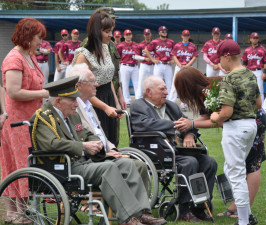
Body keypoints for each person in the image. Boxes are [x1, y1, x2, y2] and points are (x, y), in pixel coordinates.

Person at [30, 76, 167, 225]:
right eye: (73, 100)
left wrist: (94, 143)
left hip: (84, 162)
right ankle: (128, 219)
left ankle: (141, 214)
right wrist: (83, 147)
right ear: (58, 101)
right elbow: (51, 144)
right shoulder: (43, 118)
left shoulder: (71, 115)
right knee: (108, 167)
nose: (77, 104)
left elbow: (86, 133)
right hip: (65, 167)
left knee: (130, 164)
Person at [172, 68, 265, 224]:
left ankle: (243, 211)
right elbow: (207, 115)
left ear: (188, 86)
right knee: (236, 167)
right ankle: (243, 210)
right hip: (241, 124)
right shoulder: (203, 91)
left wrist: (192, 123)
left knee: (251, 165)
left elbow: (220, 120)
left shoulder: (216, 89)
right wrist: (189, 126)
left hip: (251, 122)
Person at [130, 76, 217, 223]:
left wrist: (189, 135)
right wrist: (174, 125)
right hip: (158, 150)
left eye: (166, 88)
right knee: (189, 163)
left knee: (209, 162)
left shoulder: (171, 106)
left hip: (180, 148)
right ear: (149, 92)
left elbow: (188, 123)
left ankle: (200, 205)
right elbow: (144, 125)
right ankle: (184, 208)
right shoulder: (139, 105)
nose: (166, 92)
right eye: (162, 89)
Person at [68, 64, 150, 191]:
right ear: (79, 85)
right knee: (133, 166)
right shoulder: (73, 108)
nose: (96, 84)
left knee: (140, 165)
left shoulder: (88, 105)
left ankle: (140, 207)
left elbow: (101, 135)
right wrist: (105, 153)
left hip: (104, 154)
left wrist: (112, 149)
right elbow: (81, 140)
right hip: (92, 158)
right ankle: (133, 208)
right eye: (92, 81)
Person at [0, 18, 49, 224]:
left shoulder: (29, 56)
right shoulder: (14, 58)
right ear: (28, 36)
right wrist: (44, 93)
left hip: (30, 118)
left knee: (23, 162)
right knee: (17, 164)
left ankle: (20, 211)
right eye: (39, 37)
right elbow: (12, 91)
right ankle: (16, 212)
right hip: (17, 120)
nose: (41, 42)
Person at [210, 40, 261, 225]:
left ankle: (243, 221)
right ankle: (246, 214)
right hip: (251, 126)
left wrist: (215, 116)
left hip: (236, 128)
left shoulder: (229, 79)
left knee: (236, 175)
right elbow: (259, 104)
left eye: (219, 59)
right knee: (231, 170)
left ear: (227, 56)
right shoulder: (251, 74)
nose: (219, 64)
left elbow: (226, 112)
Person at [73, 9, 121, 146]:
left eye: (111, 31)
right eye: (107, 32)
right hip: (93, 101)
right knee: (100, 143)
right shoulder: (84, 55)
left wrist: (115, 103)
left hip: (108, 98)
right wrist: (105, 107)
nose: (110, 35)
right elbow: (80, 89)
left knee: (113, 141)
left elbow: (108, 78)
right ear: (96, 31)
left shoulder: (105, 48)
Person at [169, 29, 199, 106]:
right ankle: (172, 102)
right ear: (182, 36)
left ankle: (184, 104)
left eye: (187, 35)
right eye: (184, 35)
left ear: (189, 36)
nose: (186, 37)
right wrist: (180, 65)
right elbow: (174, 56)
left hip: (188, 67)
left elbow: (194, 57)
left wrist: (187, 65)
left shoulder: (192, 46)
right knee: (175, 84)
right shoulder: (177, 45)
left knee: (187, 85)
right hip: (179, 67)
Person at [144, 26, 175, 98]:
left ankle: (168, 100)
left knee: (169, 84)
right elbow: (146, 50)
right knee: (157, 83)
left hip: (167, 64)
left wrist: (173, 60)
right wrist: (152, 59)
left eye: (165, 31)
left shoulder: (171, 42)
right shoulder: (155, 41)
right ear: (159, 33)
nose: (165, 33)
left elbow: (175, 52)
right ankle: (157, 98)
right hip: (159, 64)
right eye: (163, 31)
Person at [241, 32, 266, 103]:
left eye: (256, 38)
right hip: (249, 71)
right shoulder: (247, 50)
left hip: (258, 71)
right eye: (254, 38)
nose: (255, 40)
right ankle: (249, 107)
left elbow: (265, 62)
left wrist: (264, 72)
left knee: (260, 90)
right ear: (250, 39)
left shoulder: (263, 49)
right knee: (248, 89)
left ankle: (261, 109)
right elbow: (244, 62)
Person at [117, 29, 139, 105]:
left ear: (131, 35)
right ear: (124, 36)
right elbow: (118, 56)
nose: (128, 36)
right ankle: (127, 100)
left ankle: (138, 99)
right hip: (125, 65)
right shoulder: (120, 45)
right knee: (125, 84)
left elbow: (139, 55)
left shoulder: (136, 45)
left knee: (136, 83)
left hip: (134, 66)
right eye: (127, 35)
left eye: (129, 34)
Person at [135, 28, 155, 99]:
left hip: (153, 66)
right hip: (144, 65)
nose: (147, 36)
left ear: (151, 34)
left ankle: (152, 98)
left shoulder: (154, 43)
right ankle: (138, 98)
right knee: (141, 82)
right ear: (144, 35)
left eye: (148, 34)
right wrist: (144, 58)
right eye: (146, 34)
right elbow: (136, 56)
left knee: (153, 83)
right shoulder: (141, 44)